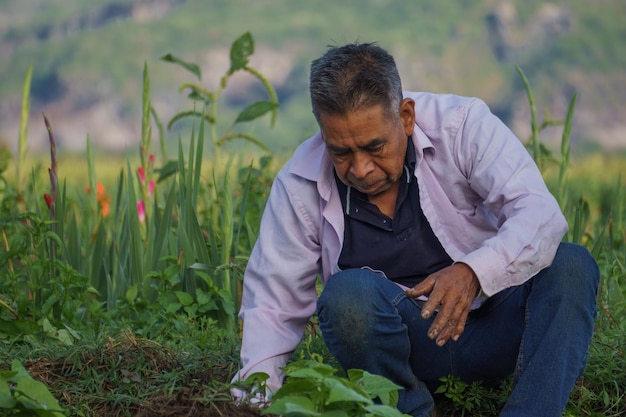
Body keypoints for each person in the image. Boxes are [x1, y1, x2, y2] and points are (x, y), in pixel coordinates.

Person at [231, 42, 599, 417]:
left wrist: (474, 272)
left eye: (374, 147)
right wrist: (254, 402)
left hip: (497, 326)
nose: (360, 169)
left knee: (570, 265)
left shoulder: (462, 126)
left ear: (406, 116)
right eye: (341, 152)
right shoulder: (300, 182)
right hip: (405, 351)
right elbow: (272, 305)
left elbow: (539, 212)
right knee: (347, 295)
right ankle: (408, 410)